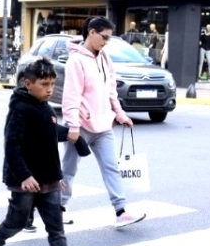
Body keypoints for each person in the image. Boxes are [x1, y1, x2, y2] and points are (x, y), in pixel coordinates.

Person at [0, 57, 85, 246]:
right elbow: (11, 146)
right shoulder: (20, 110)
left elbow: (48, 139)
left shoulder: (46, 109)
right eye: (44, 84)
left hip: (48, 180)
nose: (50, 89)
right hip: (25, 182)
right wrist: (25, 176)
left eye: (52, 84)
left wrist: (58, 176)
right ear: (28, 84)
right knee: (15, 224)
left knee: (56, 228)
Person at [59, 16, 145, 229]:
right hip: (81, 126)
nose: (106, 42)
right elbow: (71, 96)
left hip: (103, 125)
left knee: (111, 168)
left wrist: (120, 114)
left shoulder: (105, 58)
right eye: (104, 37)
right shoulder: (76, 61)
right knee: (69, 170)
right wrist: (73, 125)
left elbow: (111, 91)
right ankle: (58, 207)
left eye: (108, 38)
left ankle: (121, 211)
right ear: (91, 32)